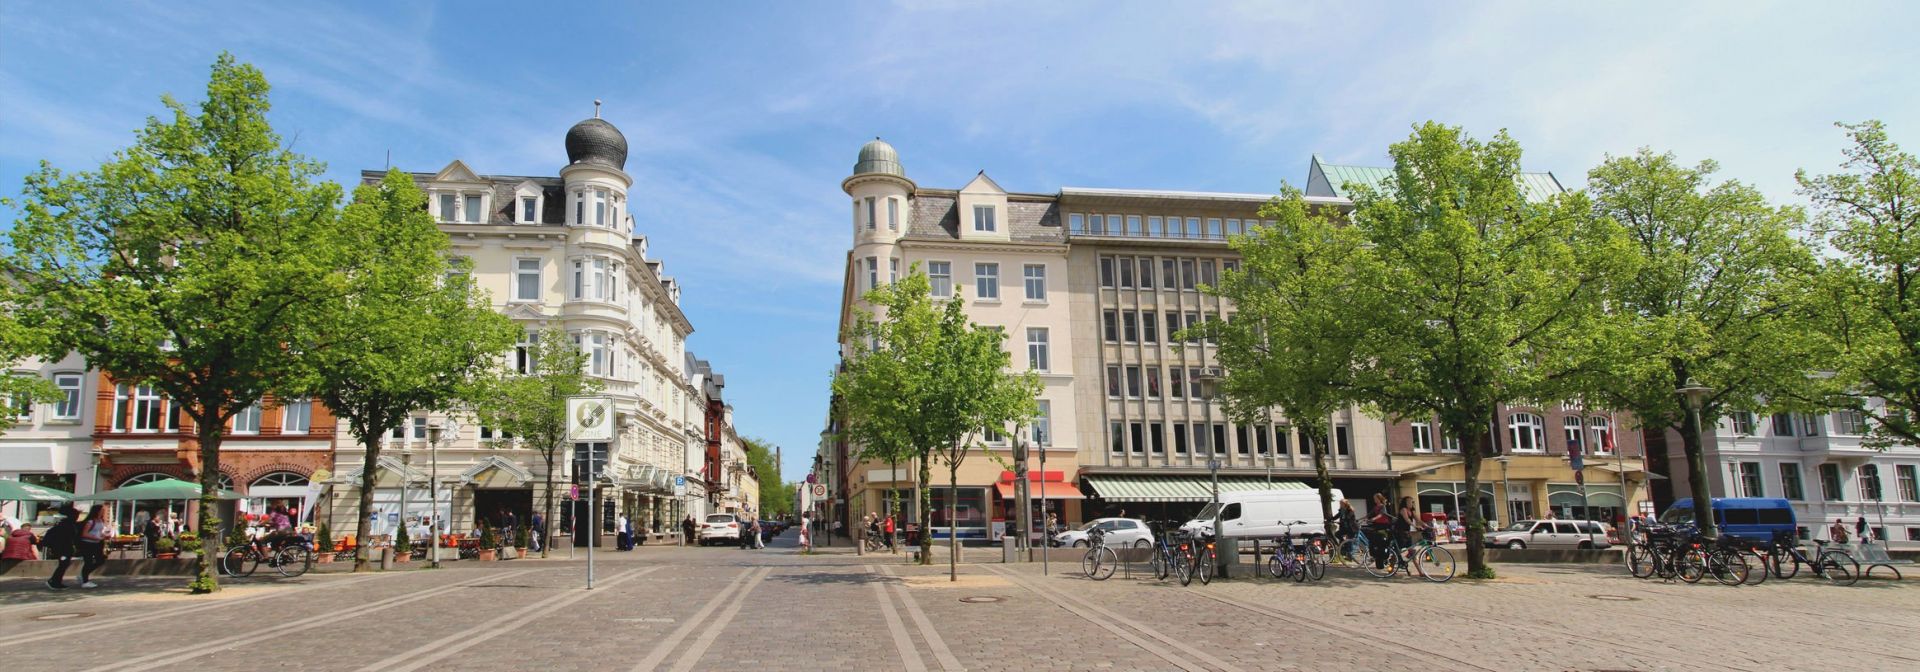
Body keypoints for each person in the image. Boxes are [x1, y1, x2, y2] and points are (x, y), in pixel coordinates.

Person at [42, 505, 80, 590]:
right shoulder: (67, 525)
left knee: (64, 564)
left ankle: (56, 581)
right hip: (62, 549)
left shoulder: (65, 524)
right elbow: (67, 538)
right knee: (63, 564)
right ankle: (54, 581)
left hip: (63, 548)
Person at [76, 504, 111, 588]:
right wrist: (96, 537)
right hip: (87, 543)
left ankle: (84, 574)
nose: (103, 511)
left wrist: (104, 535)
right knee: (88, 561)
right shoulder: (90, 521)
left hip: (97, 543)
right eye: (102, 510)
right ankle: (85, 581)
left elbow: (99, 531)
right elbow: (84, 534)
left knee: (100, 560)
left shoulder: (101, 521)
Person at [1365, 493, 1392, 568]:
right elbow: (1369, 514)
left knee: (1380, 540)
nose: (1374, 500)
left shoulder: (1382, 506)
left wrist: (1374, 518)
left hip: (1383, 525)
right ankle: (1374, 554)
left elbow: (1381, 514)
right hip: (1377, 525)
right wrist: (1361, 519)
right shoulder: (1375, 507)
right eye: (1374, 498)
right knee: (1373, 539)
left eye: (1375, 498)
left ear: (1379, 498)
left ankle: (1382, 555)